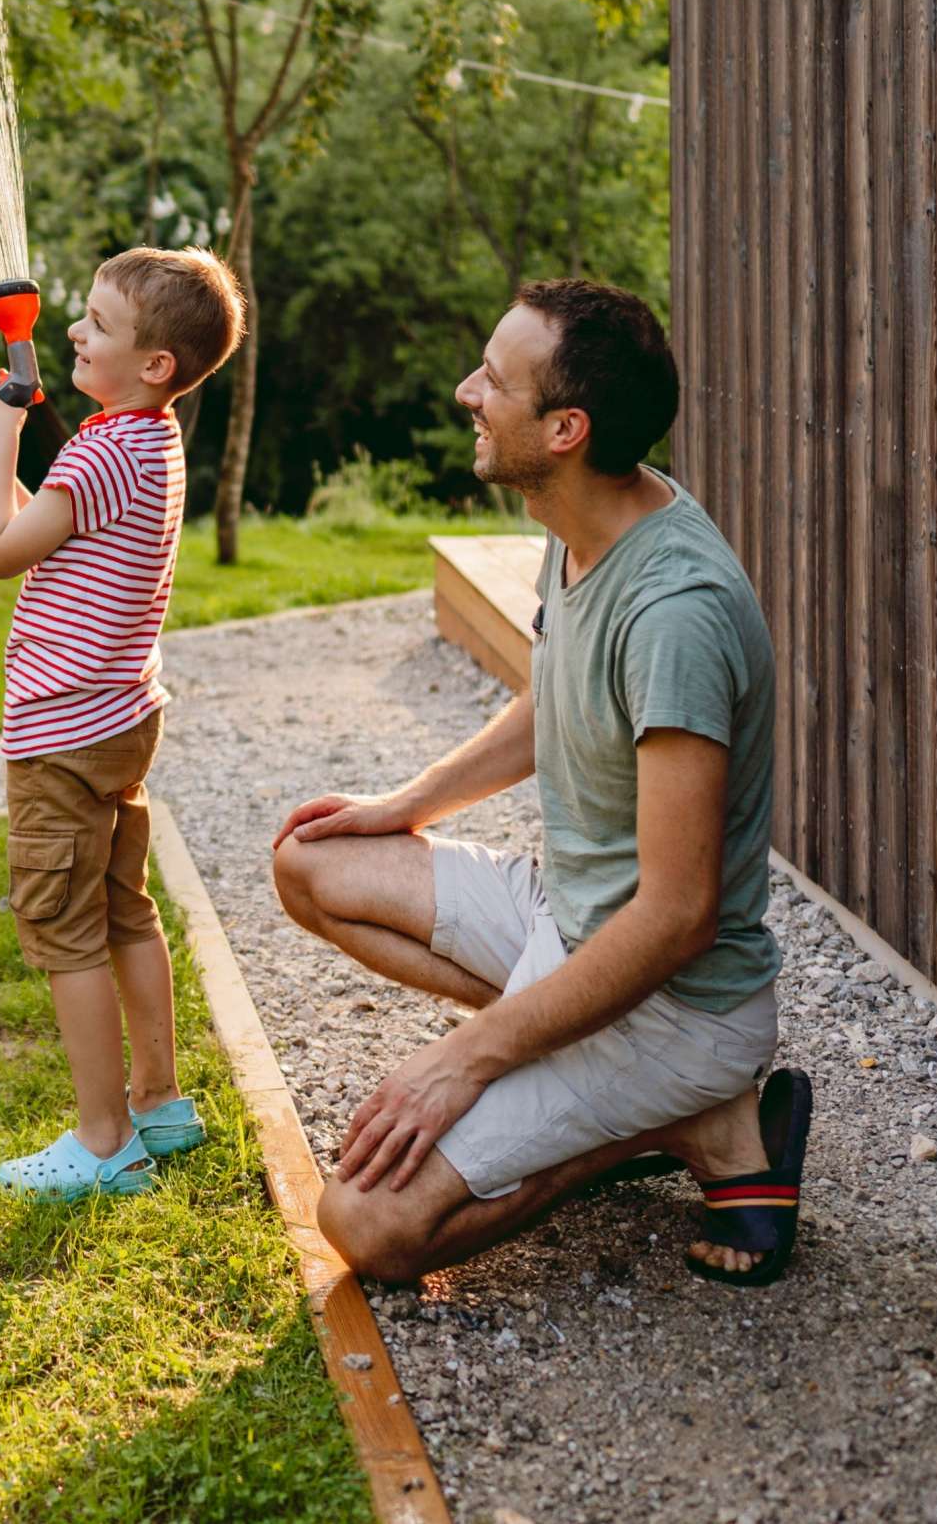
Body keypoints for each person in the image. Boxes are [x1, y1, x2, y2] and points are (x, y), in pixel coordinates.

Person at [271, 279, 811, 1285]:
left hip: (675, 1004)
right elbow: (553, 696)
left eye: (495, 380)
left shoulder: (674, 615)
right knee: (312, 860)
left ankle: (676, 1113)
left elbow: (679, 915)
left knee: (368, 1225)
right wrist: (405, 806)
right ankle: (661, 1111)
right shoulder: (582, 523)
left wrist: (465, 1057)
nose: (467, 390)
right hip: (565, 922)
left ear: (566, 427)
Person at [0, 246, 245, 1202]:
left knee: (65, 929)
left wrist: (4, 444)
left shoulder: (102, 447)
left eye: (99, 324)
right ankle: (158, 1100)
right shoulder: (149, 441)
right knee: (121, 907)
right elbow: (45, 536)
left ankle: (104, 1141)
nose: (74, 329)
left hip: (61, 734)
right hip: (118, 721)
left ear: (156, 365)